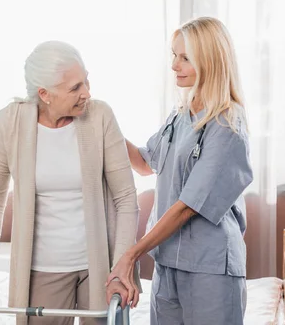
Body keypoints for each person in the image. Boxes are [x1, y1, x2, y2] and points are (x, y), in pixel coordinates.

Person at [0, 41, 140, 325]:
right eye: (74, 88)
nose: (86, 93)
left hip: (100, 268)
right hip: (42, 270)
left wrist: (121, 268)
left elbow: (126, 198)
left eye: (86, 81)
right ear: (44, 94)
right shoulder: (9, 123)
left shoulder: (100, 116)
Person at [106, 17, 253, 324]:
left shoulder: (227, 124)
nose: (174, 65)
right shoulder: (182, 113)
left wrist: (131, 254)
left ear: (209, 62)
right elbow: (145, 163)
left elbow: (188, 207)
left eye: (185, 58)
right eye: (174, 55)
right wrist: (103, 124)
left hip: (209, 269)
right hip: (168, 263)